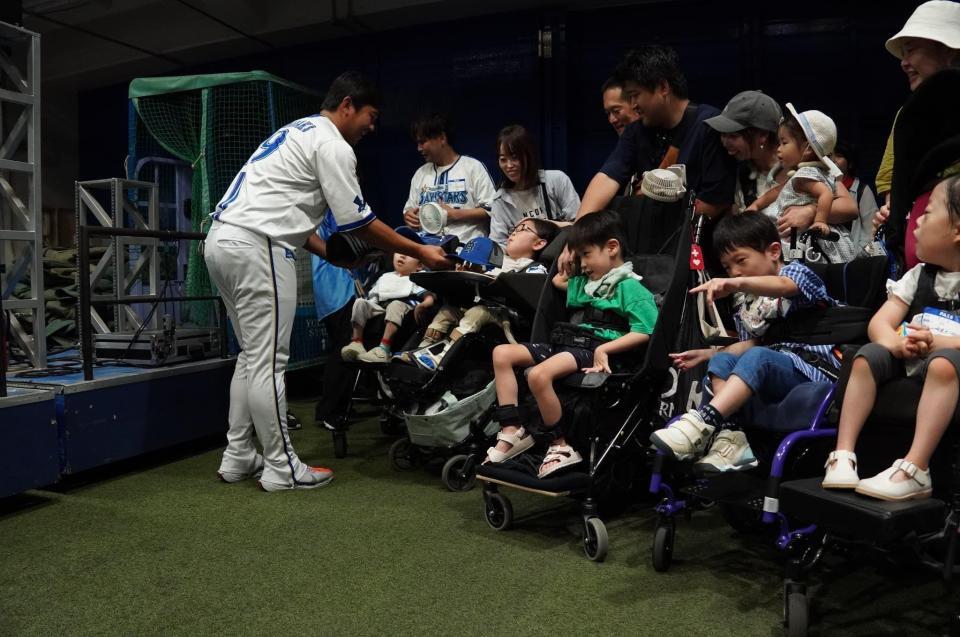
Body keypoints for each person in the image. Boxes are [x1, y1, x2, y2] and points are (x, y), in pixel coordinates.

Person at [204, 71, 451, 492]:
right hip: (258, 246)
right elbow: (360, 222)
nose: (372, 127)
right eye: (370, 116)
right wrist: (425, 252)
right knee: (268, 362)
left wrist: (330, 256)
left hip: (221, 242)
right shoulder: (333, 144)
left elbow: (295, 216)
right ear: (348, 105)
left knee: (251, 357)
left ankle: (238, 454)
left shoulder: (296, 131)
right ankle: (281, 468)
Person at [652, 213, 839, 473]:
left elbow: (785, 287)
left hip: (813, 369)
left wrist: (735, 282)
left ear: (774, 251)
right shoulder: (747, 305)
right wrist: (707, 354)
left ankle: (705, 422)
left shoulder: (797, 272)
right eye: (728, 267)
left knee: (759, 357)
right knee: (723, 360)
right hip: (771, 369)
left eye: (740, 261)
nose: (735, 272)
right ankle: (733, 435)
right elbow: (752, 344)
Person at [487, 211, 658, 477]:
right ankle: (512, 429)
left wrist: (604, 350)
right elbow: (558, 280)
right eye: (580, 256)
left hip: (595, 348)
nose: (583, 263)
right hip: (569, 343)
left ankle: (560, 445)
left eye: (587, 254)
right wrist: (570, 255)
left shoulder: (632, 288)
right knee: (502, 354)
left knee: (539, 375)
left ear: (612, 247)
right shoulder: (587, 284)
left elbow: (646, 331)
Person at [823, 176, 960, 501]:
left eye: (928, 212)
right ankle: (843, 455)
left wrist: (937, 345)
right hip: (911, 358)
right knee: (866, 356)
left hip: (948, 368)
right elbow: (881, 322)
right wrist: (896, 343)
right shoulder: (918, 276)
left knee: (944, 364)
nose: (916, 220)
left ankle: (916, 468)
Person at [576, 45, 736, 221]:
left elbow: (716, 201)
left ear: (662, 87)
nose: (633, 104)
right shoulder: (636, 131)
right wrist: (579, 230)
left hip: (695, 240)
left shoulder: (708, 125)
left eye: (635, 95)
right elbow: (607, 178)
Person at [406, 218, 560, 369]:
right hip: (483, 310)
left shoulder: (536, 268)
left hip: (512, 322)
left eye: (523, 229)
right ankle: (420, 352)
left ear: (539, 243)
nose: (513, 233)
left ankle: (443, 357)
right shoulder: (495, 263)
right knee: (447, 311)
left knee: (477, 312)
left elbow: (529, 295)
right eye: (513, 229)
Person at [871, 1, 960, 261]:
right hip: (917, 264)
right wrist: (891, 218)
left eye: (911, 51)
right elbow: (894, 190)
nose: (904, 63)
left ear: (949, 50)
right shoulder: (906, 116)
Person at [708, 91, 860, 235]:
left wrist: (810, 211)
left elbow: (850, 207)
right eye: (723, 135)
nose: (724, 141)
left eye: (733, 136)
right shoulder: (742, 173)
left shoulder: (807, 165)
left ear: (762, 136)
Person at [746, 104, 857, 263]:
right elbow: (778, 191)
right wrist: (756, 206)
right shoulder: (799, 175)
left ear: (807, 149)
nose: (779, 149)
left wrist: (818, 218)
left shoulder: (809, 174)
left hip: (806, 243)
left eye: (784, 143)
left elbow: (830, 195)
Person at [401, 113, 497, 242]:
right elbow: (409, 211)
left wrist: (455, 215)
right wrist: (409, 217)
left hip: (466, 249)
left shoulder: (472, 167)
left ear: (442, 138)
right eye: (417, 143)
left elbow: (492, 209)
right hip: (427, 250)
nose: (419, 148)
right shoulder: (420, 173)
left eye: (423, 142)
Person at [488, 125, 580, 246]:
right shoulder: (500, 200)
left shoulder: (556, 180)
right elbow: (498, 244)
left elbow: (580, 224)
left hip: (563, 250)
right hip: (523, 261)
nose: (509, 165)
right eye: (503, 159)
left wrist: (547, 224)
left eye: (515, 158)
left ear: (529, 156)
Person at [311, 210, 358, 431]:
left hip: (333, 289)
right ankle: (330, 411)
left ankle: (338, 405)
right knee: (345, 349)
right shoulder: (331, 207)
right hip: (336, 289)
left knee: (343, 346)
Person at [340, 252, 429, 364]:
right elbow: (373, 299)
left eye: (408, 253)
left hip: (405, 311)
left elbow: (428, 296)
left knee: (395, 304)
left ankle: (384, 348)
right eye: (399, 251)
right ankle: (356, 342)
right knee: (360, 302)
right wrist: (366, 307)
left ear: (419, 265)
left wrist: (424, 304)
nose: (402, 256)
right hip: (382, 308)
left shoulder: (418, 278)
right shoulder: (385, 277)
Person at [831, 140, 880, 252]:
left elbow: (871, 230)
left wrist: (857, 255)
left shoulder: (861, 190)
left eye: (839, 156)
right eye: (830, 156)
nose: (833, 160)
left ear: (850, 163)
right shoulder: (821, 188)